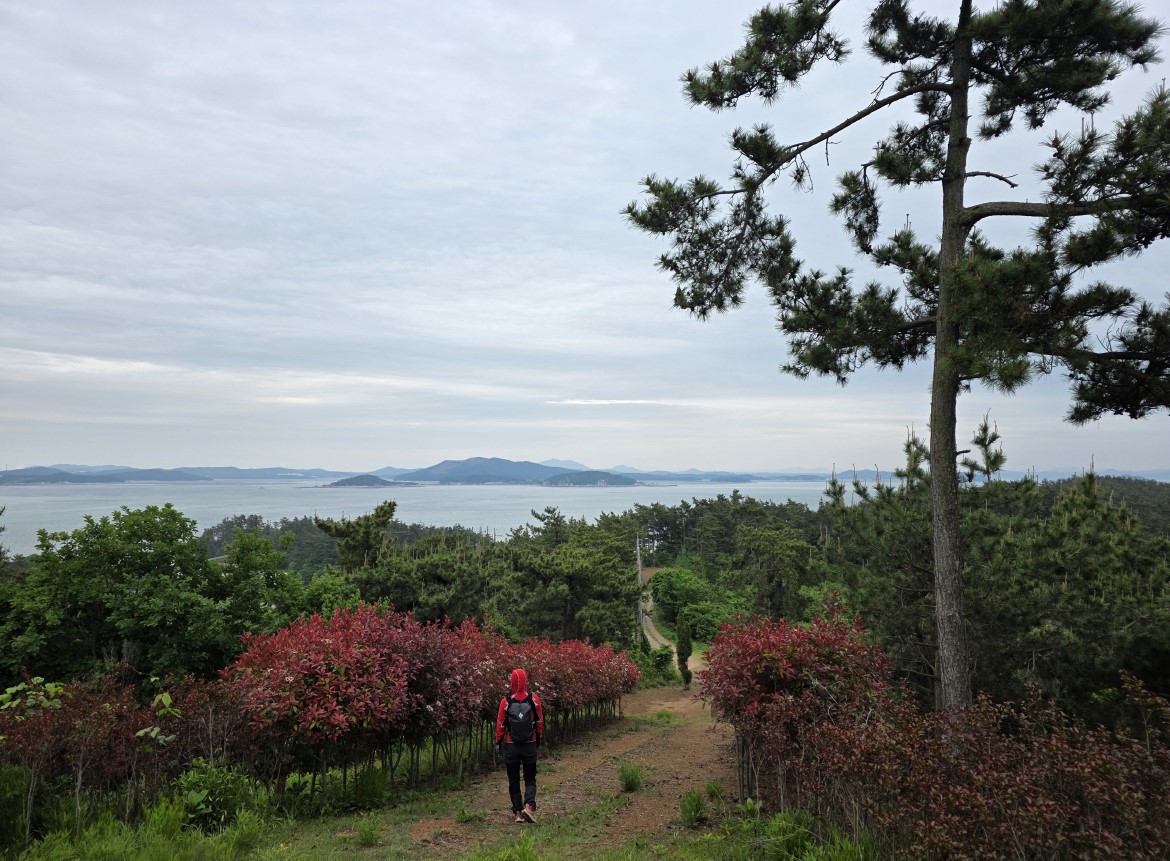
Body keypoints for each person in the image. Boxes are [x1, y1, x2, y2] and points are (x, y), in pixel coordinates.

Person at [495, 667, 544, 823]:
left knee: (513, 779)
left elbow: (500, 725)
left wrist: (498, 742)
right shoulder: (534, 699)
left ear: (512, 682)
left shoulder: (506, 701)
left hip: (511, 745)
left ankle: (517, 813)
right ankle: (529, 806)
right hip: (529, 744)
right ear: (525, 681)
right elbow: (539, 721)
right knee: (530, 777)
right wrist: (538, 738)